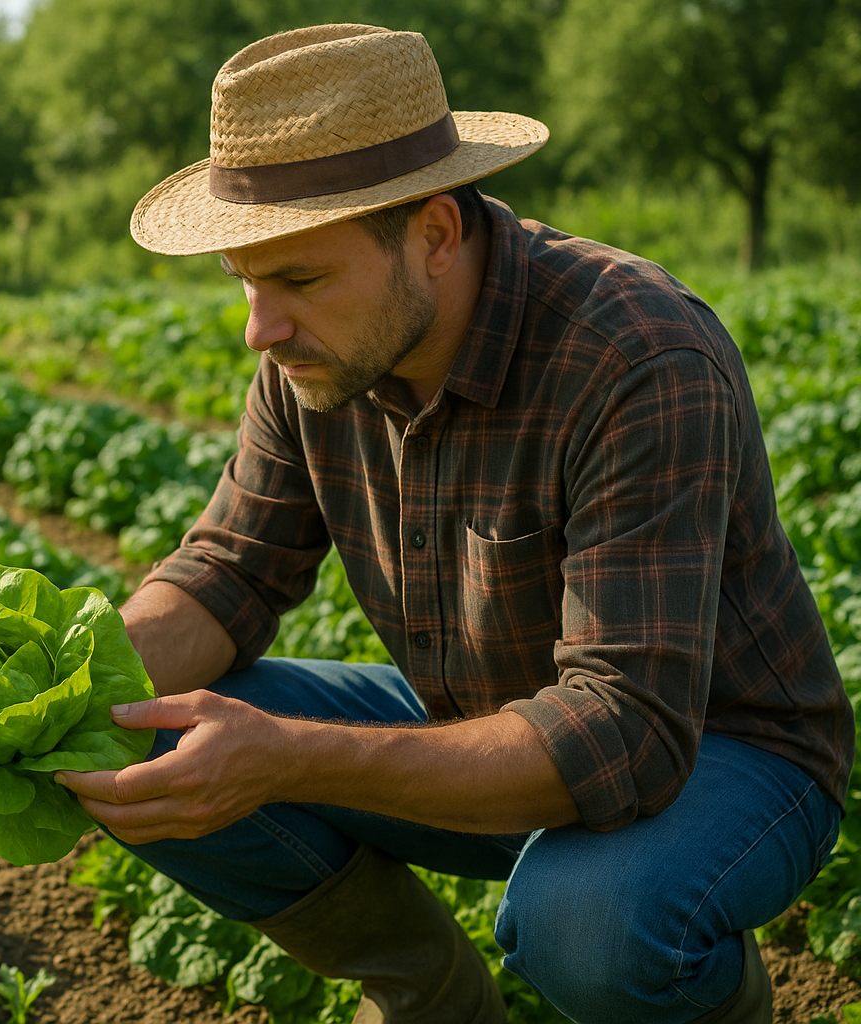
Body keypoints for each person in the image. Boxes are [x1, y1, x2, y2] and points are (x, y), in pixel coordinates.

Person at [53, 23, 853, 1024]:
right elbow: (230, 570)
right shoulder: (316, 359)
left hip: (717, 752)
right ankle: (430, 998)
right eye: (245, 281)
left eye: (299, 279)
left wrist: (288, 755)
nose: (261, 328)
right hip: (477, 722)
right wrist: (69, 689)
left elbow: (626, 730)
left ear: (434, 235)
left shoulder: (636, 354)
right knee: (138, 734)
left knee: (586, 923)